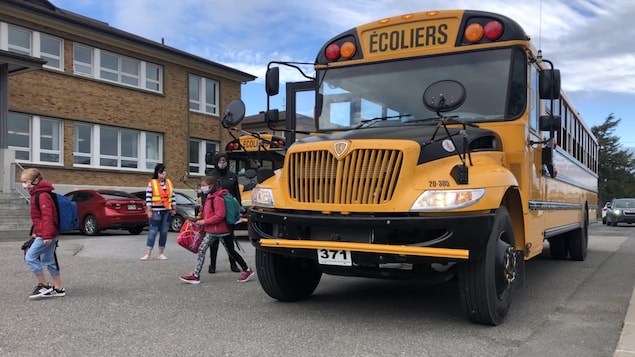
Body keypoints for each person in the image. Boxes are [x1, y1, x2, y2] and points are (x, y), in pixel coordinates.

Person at [180, 176, 254, 284]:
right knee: (228, 251)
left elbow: (220, 215)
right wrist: (202, 216)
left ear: (211, 186)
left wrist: (204, 221)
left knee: (207, 250)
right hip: (217, 230)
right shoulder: (211, 197)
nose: (202, 188)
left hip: (217, 230)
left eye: (204, 186)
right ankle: (246, 270)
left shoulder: (217, 198)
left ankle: (196, 275)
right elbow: (210, 213)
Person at [21, 168, 66, 299]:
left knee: (30, 257)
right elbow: (38, 217)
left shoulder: (42, 195)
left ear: (35, 181)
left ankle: (43, 285)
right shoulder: (38, 193)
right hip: (46, 233)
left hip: (47, 234)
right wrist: (36, 231)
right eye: (22, 182)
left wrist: (45, 235)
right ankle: (58, 288)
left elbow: (47, 216)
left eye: (26, 181)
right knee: (48, 259)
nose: (24, 185)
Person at [204, 152, 241, 273]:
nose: (222, 163)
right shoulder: (211, 175)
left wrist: (238, 211)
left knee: (229, 240)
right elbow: (205, 195)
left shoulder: (232, 176)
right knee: (213, 241)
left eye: (224, 160)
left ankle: (233, 264)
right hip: (215, 212)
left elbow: (236, 195)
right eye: (220, 160)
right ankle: (212, 264)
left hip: (229, 213)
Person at [141, 163, 176, 260]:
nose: (163, 173)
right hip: (156, 211)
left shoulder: (169, 183)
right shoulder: (152, 183)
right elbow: (148, 198)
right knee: (153, 231)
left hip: (167, 211)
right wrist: (149, 210)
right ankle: (148, 253)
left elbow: (173, 196)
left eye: (164, 170)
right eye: (161, 171)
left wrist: (174, 208)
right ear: (157, 172)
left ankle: (161, 253)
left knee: (164, 232)